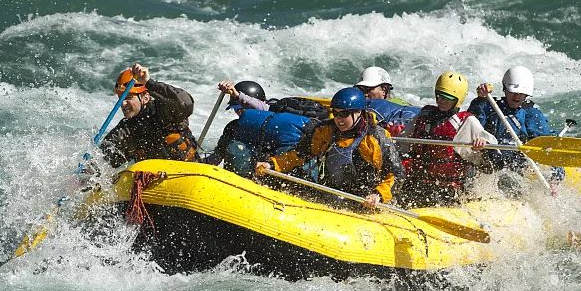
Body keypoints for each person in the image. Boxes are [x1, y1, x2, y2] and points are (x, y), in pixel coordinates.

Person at [255, 87, 404, 209]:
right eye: (336, 113)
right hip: (331, 193)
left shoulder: (375, 137)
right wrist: (272, 164)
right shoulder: (325, 130)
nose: (338, 119)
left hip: (367, 200)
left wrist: (378, 195)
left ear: (359, 112)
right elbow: (300, 154)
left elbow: (396, 173)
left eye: (344, 114)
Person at [401, 71, 491, 206]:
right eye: (440, 96)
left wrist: (484, 146)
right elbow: (402, 143)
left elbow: (492, 159)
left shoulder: (466, 121)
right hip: (417, 182)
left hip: (449, 189)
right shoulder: (425, 115)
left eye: (448, 98)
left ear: (458, 99)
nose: (442, 101)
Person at [466, 66, 564, 183]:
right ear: (505, 89)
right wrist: (481, 99)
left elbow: (548, 145)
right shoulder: (490, 106)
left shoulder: (531, 114)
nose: (516, 96)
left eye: (520, 93)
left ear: (526, 94)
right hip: (491, 165)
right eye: (513, 92)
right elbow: (472, 122)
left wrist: (555, 179)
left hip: (519, 170)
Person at [203, 80, 315, 176]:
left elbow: (262, 107)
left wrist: (237, 94)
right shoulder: (235, 127)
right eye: (236, 109)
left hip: (283, 168)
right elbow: (216, 157)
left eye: (241, 109)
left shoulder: (277, 119)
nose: (239, 113)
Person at [99, 63, 198, 168]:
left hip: (190, 169)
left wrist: (149, 83)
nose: (122, 104)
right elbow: (101, 160)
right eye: (120, 98)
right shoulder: (125, 131)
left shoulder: (164, 110)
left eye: (128, 97)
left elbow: (185, 103)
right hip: (156, 180)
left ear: (145, 98)